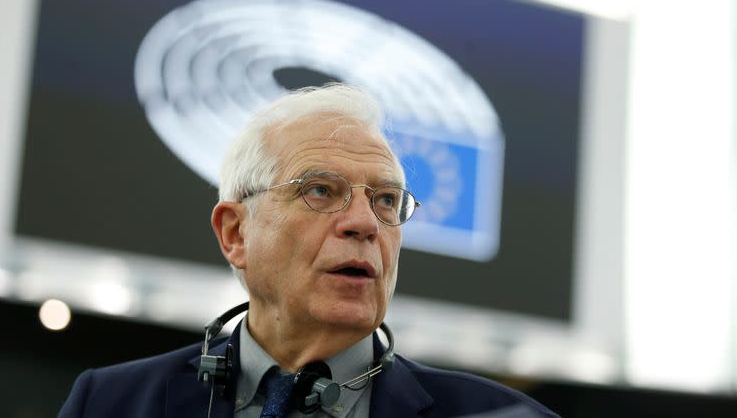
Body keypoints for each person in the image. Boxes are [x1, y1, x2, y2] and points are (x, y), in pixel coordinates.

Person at [58, 84, 558, 418]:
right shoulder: (109, 402)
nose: (365, 223)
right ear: (235, 233)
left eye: (386, 200)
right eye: (320, 190)